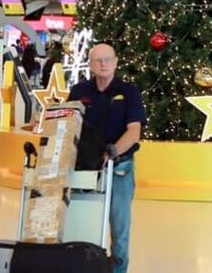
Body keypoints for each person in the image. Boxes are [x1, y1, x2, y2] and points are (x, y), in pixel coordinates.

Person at [68, 42, 145, 273]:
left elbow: (134, 131)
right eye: (98, 60)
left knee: (119, 229)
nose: (103, 64)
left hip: (119, 168)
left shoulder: (129, 92)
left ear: (116, 62)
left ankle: (118, 270)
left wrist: (110, 153)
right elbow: (69, 122)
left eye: (108, 59)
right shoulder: (80, 91)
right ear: (90, 64)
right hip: (85, 169)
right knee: (83, 223)